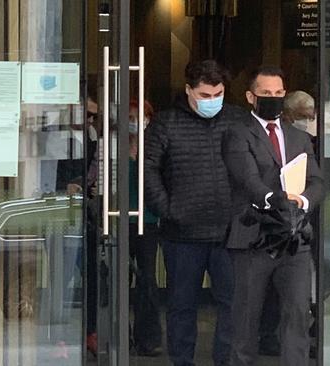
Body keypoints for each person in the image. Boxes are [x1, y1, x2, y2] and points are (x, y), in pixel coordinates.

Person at [144, 60, 247, 366]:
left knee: (233, 304)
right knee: (181, 306)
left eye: (218, 94)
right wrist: (167, 208)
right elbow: (148, 169)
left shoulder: (238, 121)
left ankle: (225, 361)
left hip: (229, 231)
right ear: (189, 90)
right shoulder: (166, 123)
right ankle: (182, 362)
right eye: (204, 95)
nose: (212, 100)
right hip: (182, 233)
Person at [223, 66, 325, 366]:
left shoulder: (298, 137)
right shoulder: (237, 133)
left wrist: (303, 201)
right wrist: (278, 199)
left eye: (278, 93)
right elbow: (247, 179)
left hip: (293, 239)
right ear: (250, 96)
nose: (273, 98)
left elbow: (317, 180)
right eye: (266, 93)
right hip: (254, 236)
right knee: (246, 319)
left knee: (296, 315)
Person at [128, 101, 163, 356]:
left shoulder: (156, 147)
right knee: (115, 281)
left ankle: (147, 339)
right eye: (130, 116)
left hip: (148, 221)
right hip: (118, 220)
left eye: (141, 116)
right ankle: (116, 337)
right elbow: (96, 176)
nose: (136, 121)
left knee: (147, 280)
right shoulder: (112, 146)